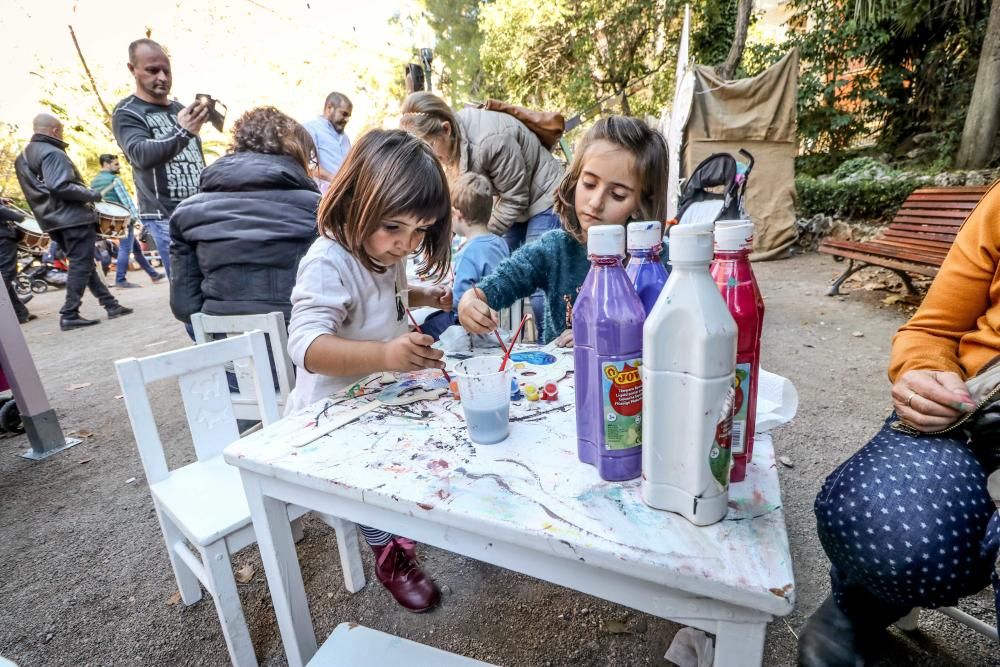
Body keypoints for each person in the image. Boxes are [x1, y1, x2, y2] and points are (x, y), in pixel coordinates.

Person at [799, 181, 1000, 666]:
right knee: (883, 524)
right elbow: (933, 327)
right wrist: (922, 372)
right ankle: (859, 606)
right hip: (979, 411)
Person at [285, 129, 452, 612]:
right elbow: (307, 344)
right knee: (374, 480)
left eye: (421, 231)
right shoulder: (328, 260)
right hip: (332, 414)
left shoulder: (381, 251)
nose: (406, 244)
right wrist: (384, 355)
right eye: (395, 228)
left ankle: (410, 522)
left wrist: (425, 295)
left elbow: (386, 297)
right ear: (355, 199)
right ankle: (390, 553)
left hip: (379, 398)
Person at [457, 115, 668, 346]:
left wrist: (602, 338)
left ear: (640, 205)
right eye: (589, 183)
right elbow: (499, 283)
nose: (596, 202)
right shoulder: (555, 248)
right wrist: (471, 300)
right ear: (575, 179)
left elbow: (672, 337)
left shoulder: (659, 263)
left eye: (617, 194)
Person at [399, 91, 563, 338]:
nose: (430, 156)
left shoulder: (491, 139)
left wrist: (480, 237)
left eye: (429, 146)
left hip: (544, 198)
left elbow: (515, 198)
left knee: (540, 281)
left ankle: (553, 346)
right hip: (516, 202)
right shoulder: (453, 142)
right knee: (499, 273)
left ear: (445, 129)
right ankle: (501, 338)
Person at [169, 106, 319, 325]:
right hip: (305, 343)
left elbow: (185, 308)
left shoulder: (186, 213)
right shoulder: (318, 208)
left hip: (229, 347)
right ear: (297, 152)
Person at [14, 114, 133, 330]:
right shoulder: (52, 152)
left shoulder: (22, 157)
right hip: (71, 217)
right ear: (54, 131)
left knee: (83, 262)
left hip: (51, 219)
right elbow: (59, 186)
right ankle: (69, 313)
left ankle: (111, 305)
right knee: (82, 263)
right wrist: (91, 194)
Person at [112, 38, 208, 279]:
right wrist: (183, 132)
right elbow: (140, 154)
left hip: (201, 210)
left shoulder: (179, 109)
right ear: (132, 69)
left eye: (167, 71)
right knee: (189, 290)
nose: (162, 78)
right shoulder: (127, 113)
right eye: (152, 71)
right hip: (167, 217)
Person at [421, 172, 509, 340]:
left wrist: (445, 297)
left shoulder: (468, 253)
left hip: (472, 325)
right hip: (500, 320)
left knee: (425, 326)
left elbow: (460, 303)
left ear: (456, 214)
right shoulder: (500, 242)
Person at [89, 153, 165, 288]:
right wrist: (135, 217)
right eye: (116, 164)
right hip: (123, 218)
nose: (119, 166)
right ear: (106, 164)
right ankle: (121, 279)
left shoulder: (94, 182)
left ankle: (153, 274)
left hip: (108, 219)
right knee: (125, 249)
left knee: (136, 248)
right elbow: (126, 200)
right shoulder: (114, 179)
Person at [302, 92, 352, 190]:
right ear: (329, 108)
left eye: (348, 116)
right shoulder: (310, 129)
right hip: (319, 196)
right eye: (344, 114)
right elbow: (309, 166)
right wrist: (336, 181)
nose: (346, 119)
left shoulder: (346, 139)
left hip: (343, 195)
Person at [0, 199, 34, 323]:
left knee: (5, 276)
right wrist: (19, 217)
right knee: (7, 274)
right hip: (2, 237)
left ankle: (20, 313)